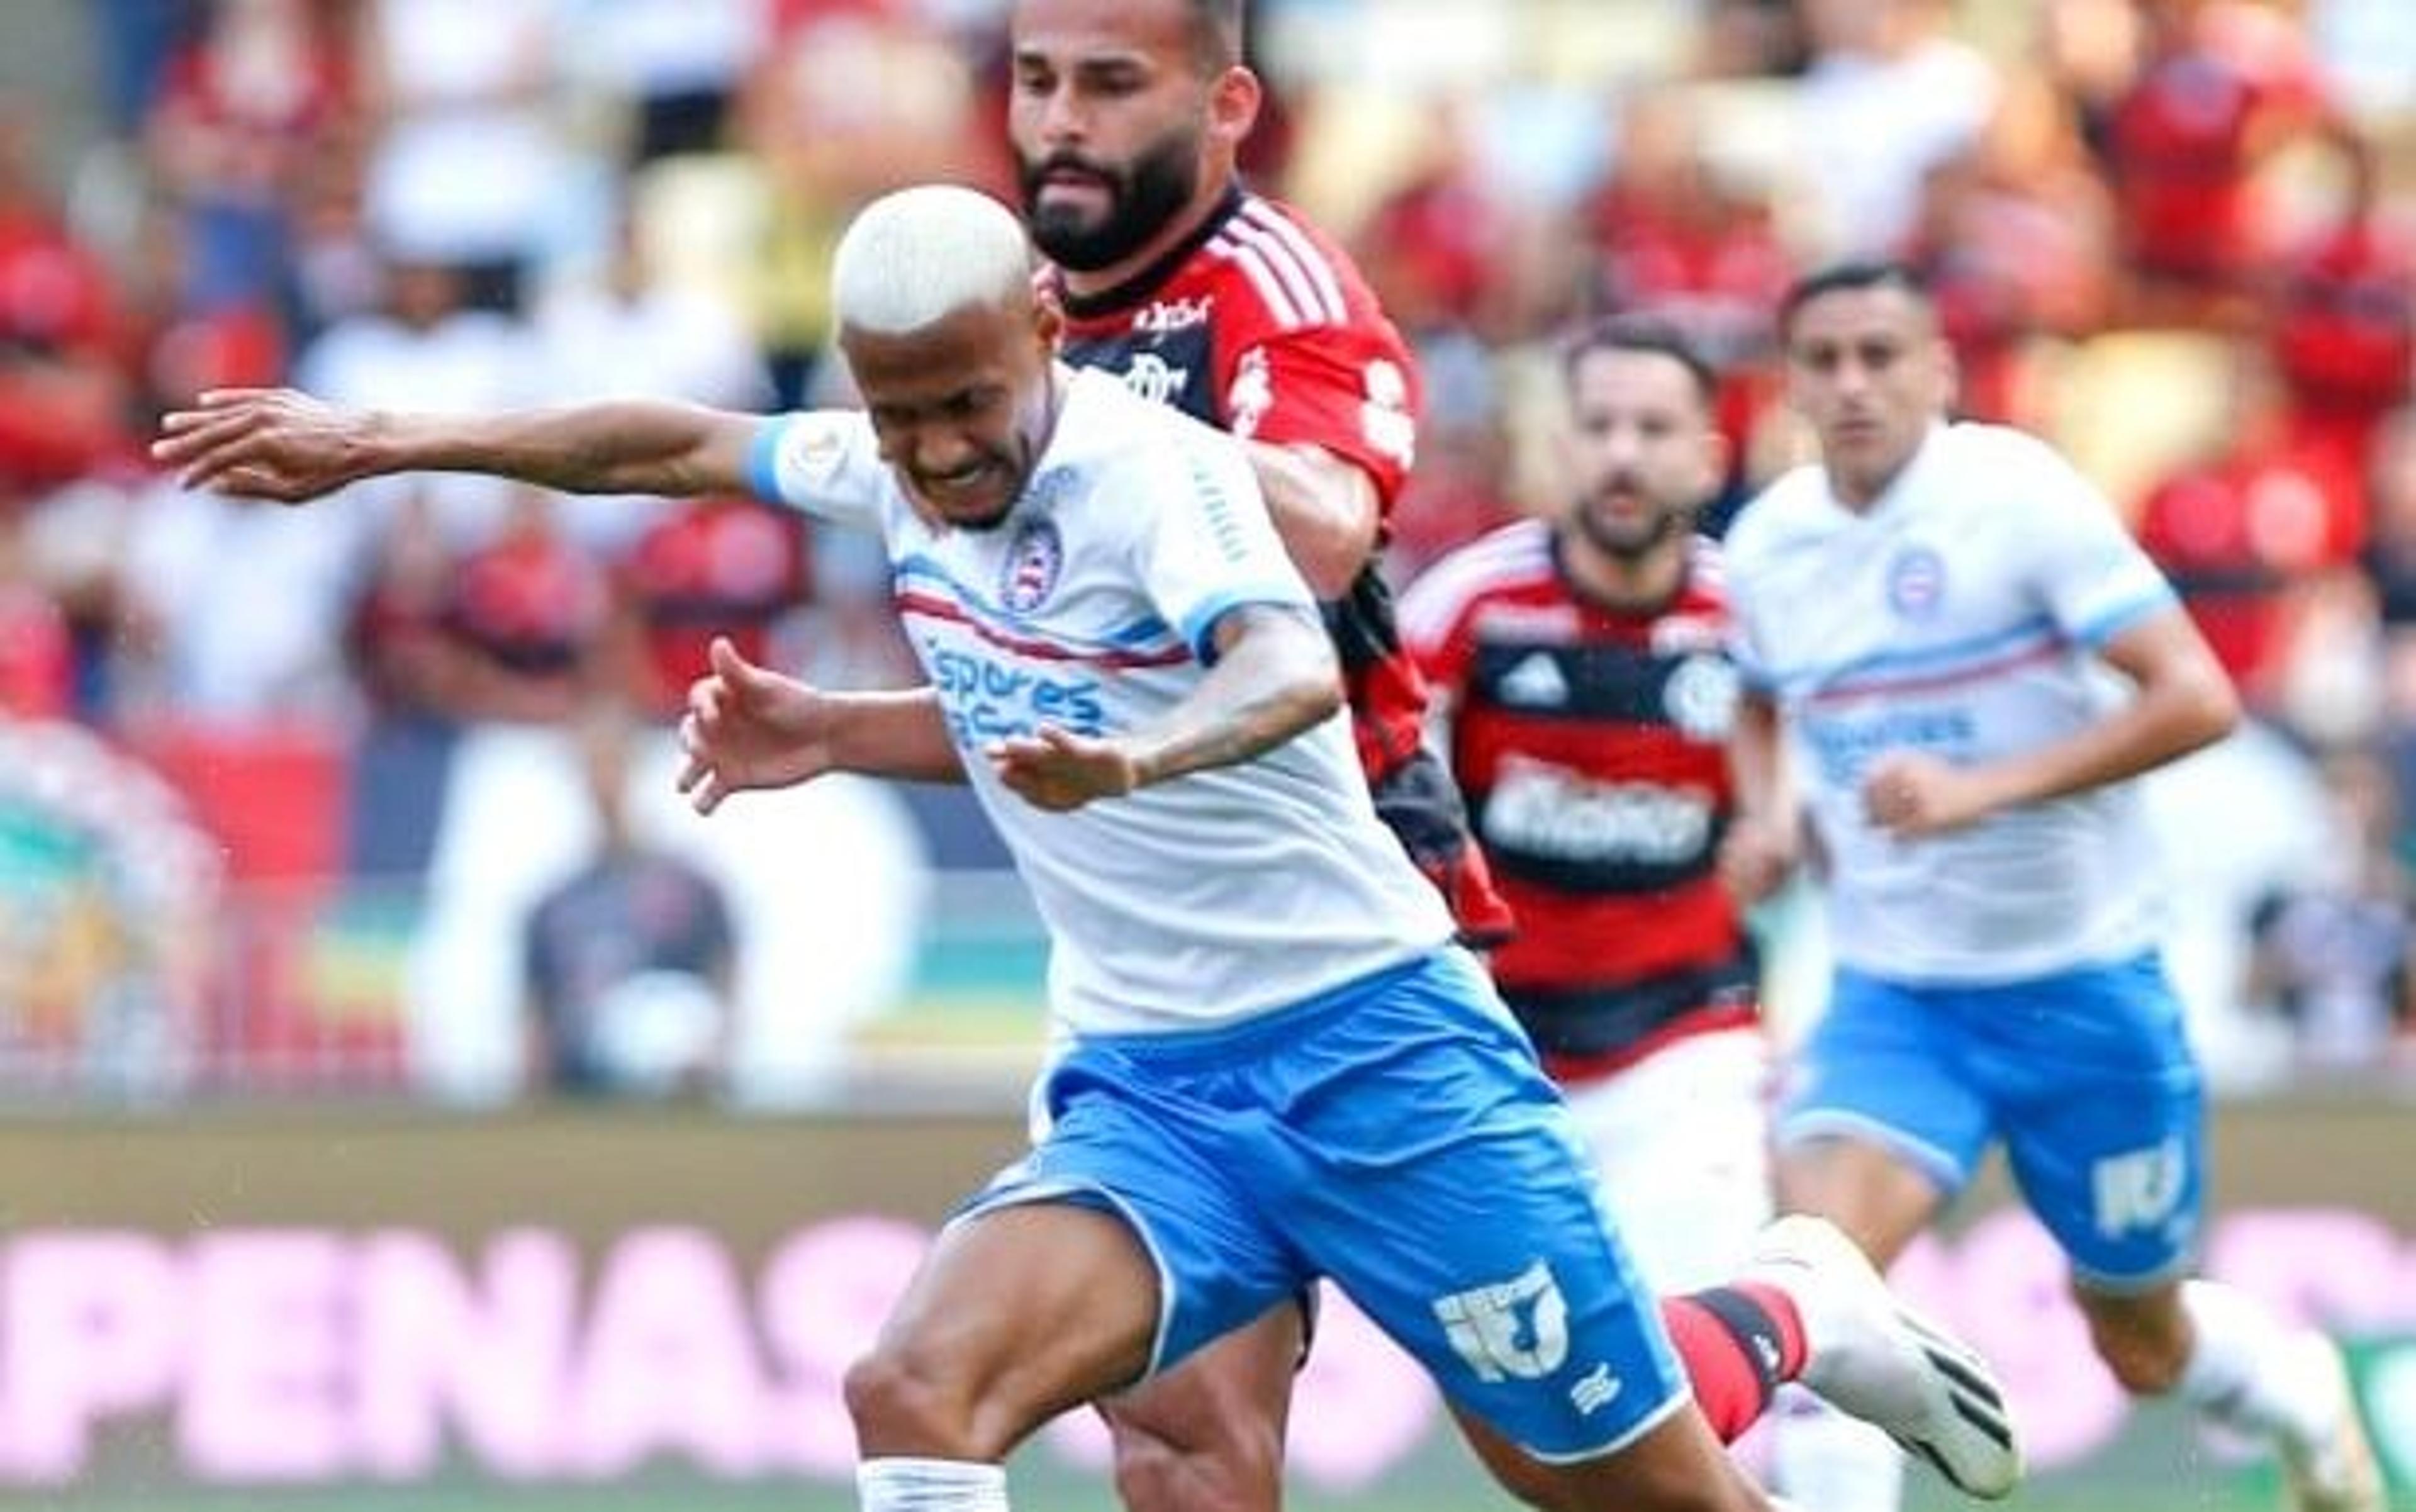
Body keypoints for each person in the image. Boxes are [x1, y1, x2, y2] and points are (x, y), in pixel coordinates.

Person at [157, 184, 2023, 1512]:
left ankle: (1797, 1301)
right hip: (1155, 1090)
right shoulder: (886, 450)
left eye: (969, 405)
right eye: (901, 418)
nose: (942, 454)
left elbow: (1286, 666)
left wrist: (1131, 769)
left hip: (1380, 1049)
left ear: (1041, 334)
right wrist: (384, 439)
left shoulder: (1157, 472)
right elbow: (666, 445)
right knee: (917, 1383)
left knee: (1604, 1476)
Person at [1718, 258, 2385, 1512]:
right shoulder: (1772, 542)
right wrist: (1769, 814)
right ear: (1792, 381)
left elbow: (2198, 696)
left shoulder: (2015, 499)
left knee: (2134, 1335)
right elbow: (1758, 697)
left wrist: (1984, 788)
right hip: (1898, 994)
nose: (1854, 384)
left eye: (1881, 353)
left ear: (1940, 369)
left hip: (2082, 987)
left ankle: (2293, 1382)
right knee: (1819, 1281)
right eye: (1825, 359)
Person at [1397, 315, 1901, 1512]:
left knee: (1682, 1373)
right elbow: (1383, 780)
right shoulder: (1471, 606)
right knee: (1560, 1420)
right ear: (1557, 449)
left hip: (1683, 1043)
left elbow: (1830, 795)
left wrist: (1785, 828)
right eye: (1598, 426)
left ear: (1708, 454)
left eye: (1654, 429)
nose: (1623, 454)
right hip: (1498, 1059)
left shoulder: (1754, 617)